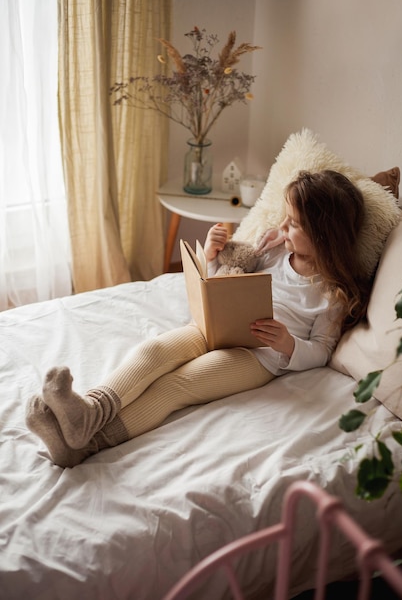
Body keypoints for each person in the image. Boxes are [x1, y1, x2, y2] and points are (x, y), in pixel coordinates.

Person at [26, 170, 371, 468]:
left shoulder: (331, 293)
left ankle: (84, 446)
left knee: (176, 385)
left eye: (293, 224)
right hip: (214, 325)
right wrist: (212, 255)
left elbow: (323, 349)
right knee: (153, 351)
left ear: (324, 235)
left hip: (256, 356)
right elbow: (234, 275)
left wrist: (289, 344)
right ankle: (88, 412)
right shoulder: (275, 248)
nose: (282, 226)